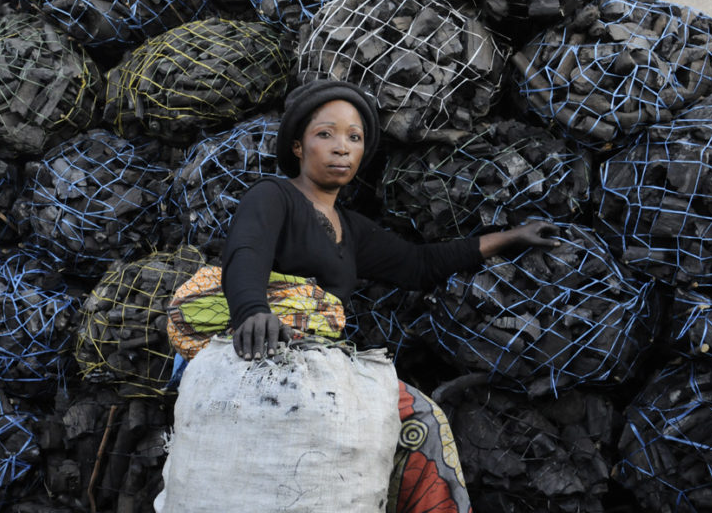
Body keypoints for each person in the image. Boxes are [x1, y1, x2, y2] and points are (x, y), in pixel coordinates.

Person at [217, 79, 558, 513]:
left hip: (326, 364)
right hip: (267, 349)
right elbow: (246, 252)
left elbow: (419, 265)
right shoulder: (272, 197)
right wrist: (252, 312)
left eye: (354, 138)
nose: (342, 147)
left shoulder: (351, 227)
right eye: (325, 134)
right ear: (298, 147)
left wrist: (510, 236)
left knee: (418, 426)